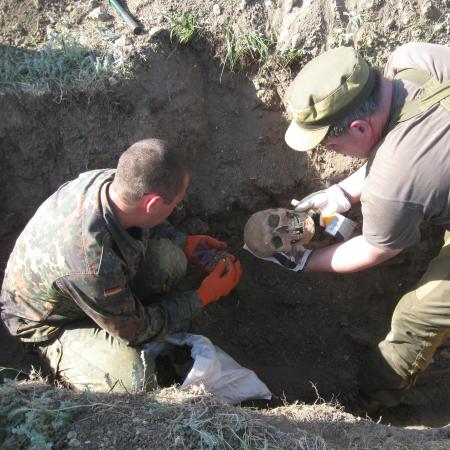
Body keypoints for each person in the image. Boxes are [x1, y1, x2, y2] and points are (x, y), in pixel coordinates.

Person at [273, 42, 449, 411]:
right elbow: (409, 139)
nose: (329, 152)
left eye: (331, 145)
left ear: (359, 126)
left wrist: (303, 261)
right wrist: (342, 191)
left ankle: (374, 402)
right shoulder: (413, 58)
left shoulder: (394, 183)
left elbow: (376, 247)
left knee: (417, 315)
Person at [0, 138, 242, 393]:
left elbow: (143, 221)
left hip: (84, 287)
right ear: (153, 204)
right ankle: (55, 355)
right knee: (133, 380)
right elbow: (136, 330)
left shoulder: (111, 182)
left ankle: (115, 308)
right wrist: (203, 296)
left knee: (170, 260)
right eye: (174, 204)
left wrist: (184, 242)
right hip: (48, 323)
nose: (176, 209)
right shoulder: (93, 263)